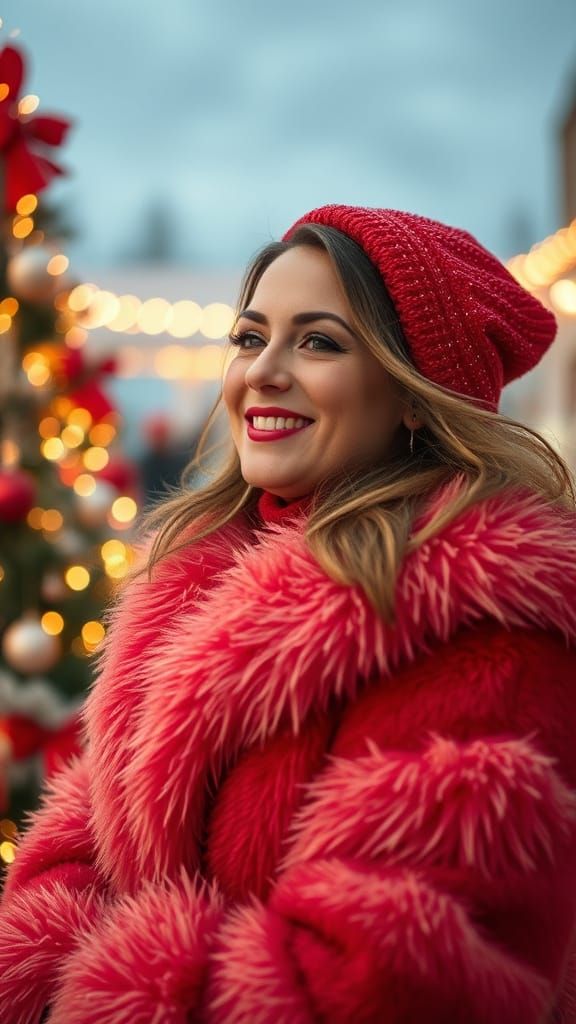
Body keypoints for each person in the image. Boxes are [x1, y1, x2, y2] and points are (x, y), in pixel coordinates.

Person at [1, 204, 576, 1024]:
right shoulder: (190, 584)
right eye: (249, 336)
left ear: (417, 396)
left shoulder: (483, 637)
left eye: (319, 342)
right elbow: (69, 855)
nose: (263, 371)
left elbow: (389, 983)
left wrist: (103, 985)